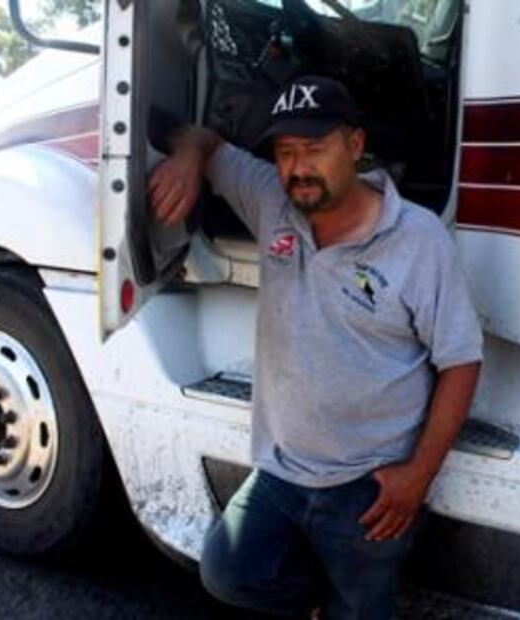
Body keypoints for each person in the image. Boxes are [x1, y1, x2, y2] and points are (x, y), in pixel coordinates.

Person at [149, 75, 483, 619]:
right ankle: (320, 604)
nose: (298, 167)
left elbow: (461, 361)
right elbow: (204, 139)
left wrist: (417, 478)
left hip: (369, 484)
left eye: (314, 149)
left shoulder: (418, 240)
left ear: (354, 145)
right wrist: (188, 159)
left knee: (364, 608)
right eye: (285, 152)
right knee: (227, 573)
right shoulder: (272, 201)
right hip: (280, 473)